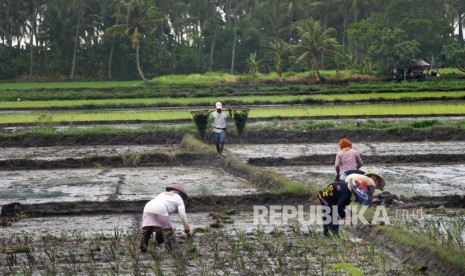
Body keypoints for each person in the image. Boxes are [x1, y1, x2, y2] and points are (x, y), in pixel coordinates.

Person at [140, 183, 191, 253]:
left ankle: (143, 250)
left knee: (147, 229)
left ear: (171, 190)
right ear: (181, 194)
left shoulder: (162, 194)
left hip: (148, 206)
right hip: (161, 208)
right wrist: (187, 229)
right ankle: (169, 251)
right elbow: (182, 215)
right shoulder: (179, 198)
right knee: (167, 231)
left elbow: (158, 220)